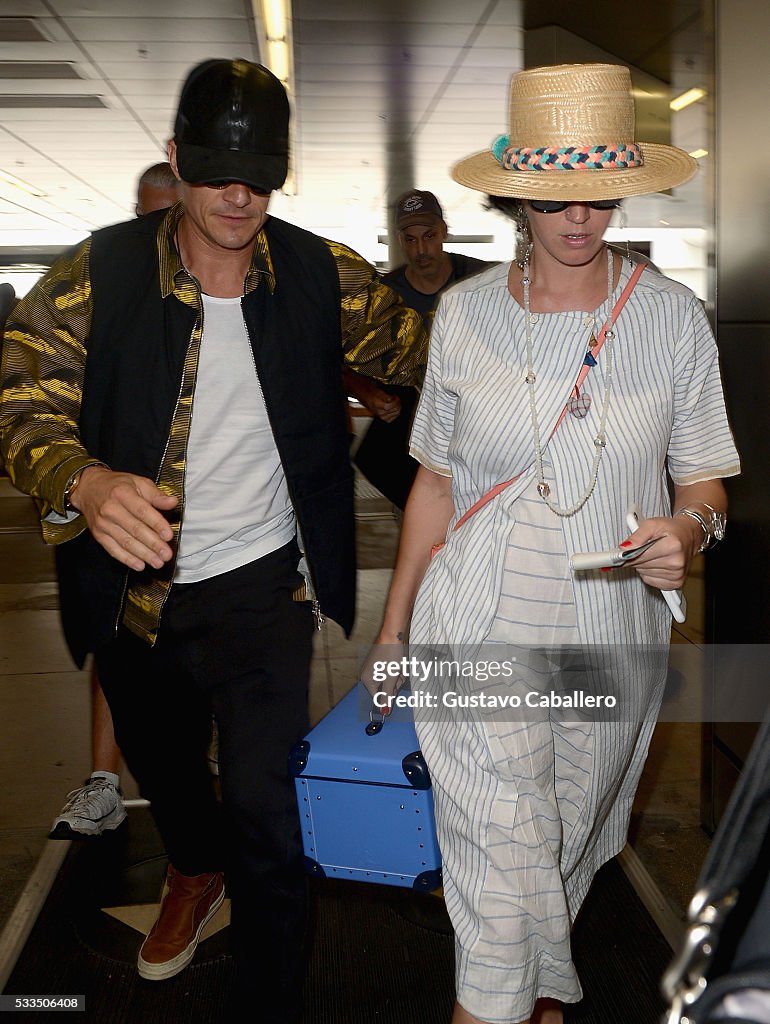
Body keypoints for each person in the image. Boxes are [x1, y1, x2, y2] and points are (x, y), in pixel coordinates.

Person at [0, 59, 426, 1019]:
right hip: (135, 589)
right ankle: (194, 868)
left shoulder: (325, 275)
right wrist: (84, 476)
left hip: (262, 591)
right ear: (174, 161)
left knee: (270, 814)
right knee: (165, 769)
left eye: (261, 175)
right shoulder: (96, 273)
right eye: (215, 171)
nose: (238, 195)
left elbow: (436, 351)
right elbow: (19, 396)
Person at [363, 63, 739, 1024]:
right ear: (516, 194)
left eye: (599, 193)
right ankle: (497, 1001)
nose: (580, 217)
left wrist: (684, 532)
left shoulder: (673, 321)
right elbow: (437, 482)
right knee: (496, 841)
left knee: (559, 838)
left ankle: (538, 993)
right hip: (474, 619)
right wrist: (396, 627)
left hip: (606, 632)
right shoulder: (467, 313)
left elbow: (705, 480)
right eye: (556, 195)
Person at [48, 162, 181, 841]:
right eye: (142, 213)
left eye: (164, 215)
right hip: (103, 508)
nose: (150, 230)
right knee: (111, 641)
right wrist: (77, 481)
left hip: (190, 520)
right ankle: (103, 782)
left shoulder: (201, 295)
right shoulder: (97, 284)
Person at [349, 190, 490, 509]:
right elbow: (345, 363)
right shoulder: (384, 298)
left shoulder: (482, 281)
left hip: (474, 422)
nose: (421, 249)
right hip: (414, 434)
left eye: (429, 236)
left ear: (444, 232)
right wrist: (370, 396)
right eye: (411, 240)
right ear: (399, 240)